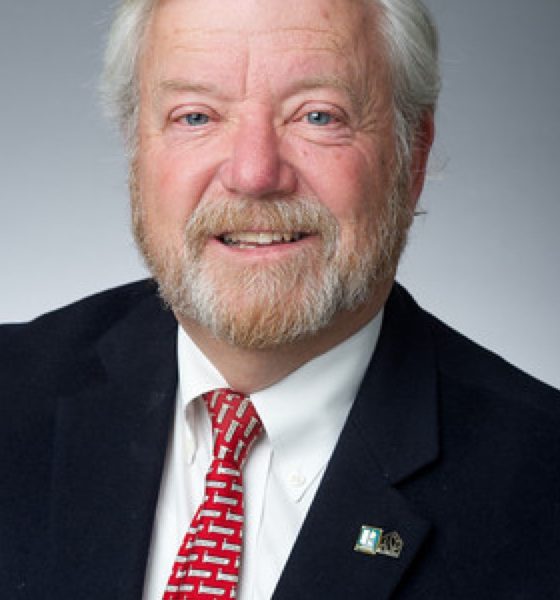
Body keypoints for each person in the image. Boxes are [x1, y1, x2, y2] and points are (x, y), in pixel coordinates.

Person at [1, 0, 559, 598]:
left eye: (317, 116)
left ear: (412, 154)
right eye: (196, 116)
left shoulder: (541, 486)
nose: (254, 173)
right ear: (137, 149)